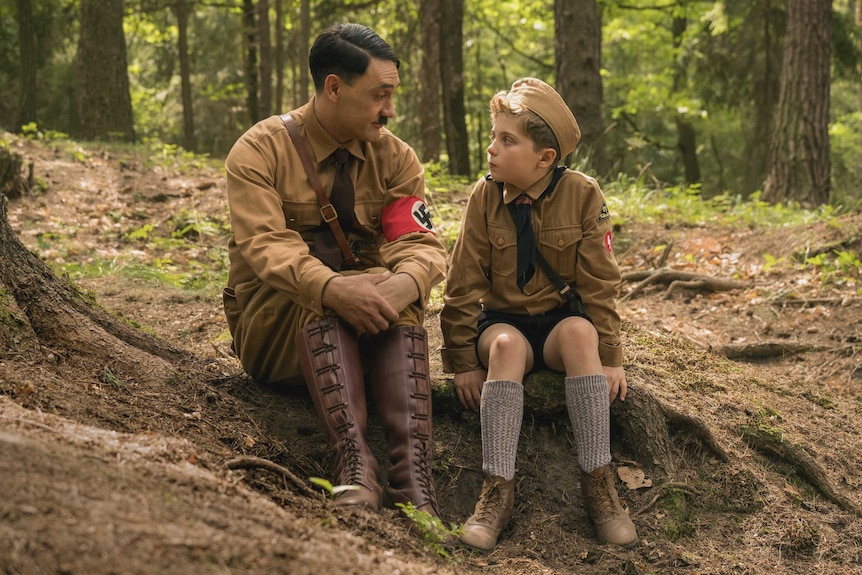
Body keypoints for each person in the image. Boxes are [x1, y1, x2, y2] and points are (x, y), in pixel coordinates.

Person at [222, 23, 447, 521]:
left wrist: (401, 285)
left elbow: (420, 245)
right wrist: (333, 289)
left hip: (373, 326)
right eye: (379, 96)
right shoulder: (259, 152)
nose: (390, 110)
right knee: (316, 291)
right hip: (278, 330)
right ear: (333, 87)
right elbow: (267, 248)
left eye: (393, 95)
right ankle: (354, 463)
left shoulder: (396, 158)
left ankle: (412, 476)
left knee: (402, 286)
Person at [440, 78, 638, 551]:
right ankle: (496, 492)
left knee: (579, 336)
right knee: (506, 348)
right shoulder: (485, 196)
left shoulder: (583, 195)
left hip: (556, 322)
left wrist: (611, 356)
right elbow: (462, 282)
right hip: (503, 324)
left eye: (507, 141)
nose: (492, 149)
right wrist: (464, 360)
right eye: (494, 136)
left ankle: (599, 484)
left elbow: (599, 284)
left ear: (545, 157)